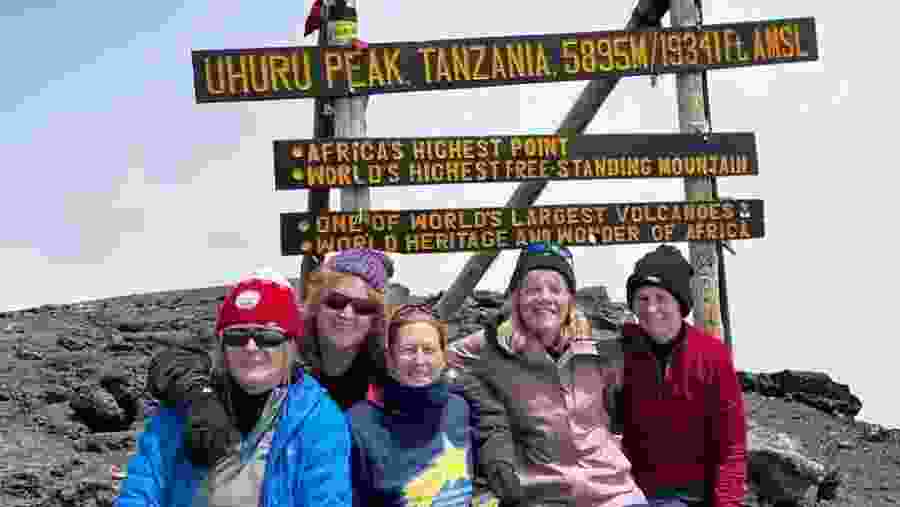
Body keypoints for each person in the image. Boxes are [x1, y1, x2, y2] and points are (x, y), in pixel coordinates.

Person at [115, 268, 352, 507]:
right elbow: (141, 490)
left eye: (267, 336)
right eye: (237, 336)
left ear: (290, 344)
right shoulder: (183, 409)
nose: (250, 347)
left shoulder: (318, 420)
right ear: (222, 346)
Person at [145, 248, 394, 468]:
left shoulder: (386, 373)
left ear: (376, 318)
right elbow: (173, 360)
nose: (346, 314)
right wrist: (201, 397)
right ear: (316, 302)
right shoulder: (276, 342)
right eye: (336, 302)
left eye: (363, 307)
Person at [447, 241, 649, 507]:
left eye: (556, 289)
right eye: (533, 289)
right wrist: (481, 396)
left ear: (570, 299)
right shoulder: (493, 346)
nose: (545, 297)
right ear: (517, 296)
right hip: (543, 497)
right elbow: (431, 360)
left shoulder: (601, 345)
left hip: (617, 495)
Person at [617, 245, 747, 507]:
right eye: (643, 299)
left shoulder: (712, 357)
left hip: (692, 496)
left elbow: (731, 446)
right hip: (631, 493)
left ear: (681, 304)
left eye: (661, 298)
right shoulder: (621, 351)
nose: (652, 309)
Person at [348, 303, 475, 507]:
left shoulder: (460, 409)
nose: (419, 360)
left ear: (443, 356)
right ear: (390, 358)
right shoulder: (358, 425)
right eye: (408, 350)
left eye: (429, 350)